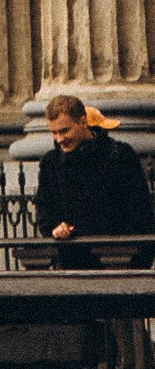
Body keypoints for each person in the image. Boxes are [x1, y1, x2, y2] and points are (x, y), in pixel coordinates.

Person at [36, 93, 155, 259]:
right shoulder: (51, 162)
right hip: (73, 258)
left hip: (120, 257)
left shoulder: (120, 154)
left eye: (64, 130)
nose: (59, 139)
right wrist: (55, 229)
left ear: (83, 122)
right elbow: (45, 211)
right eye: (54, 133)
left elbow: (141, 211)